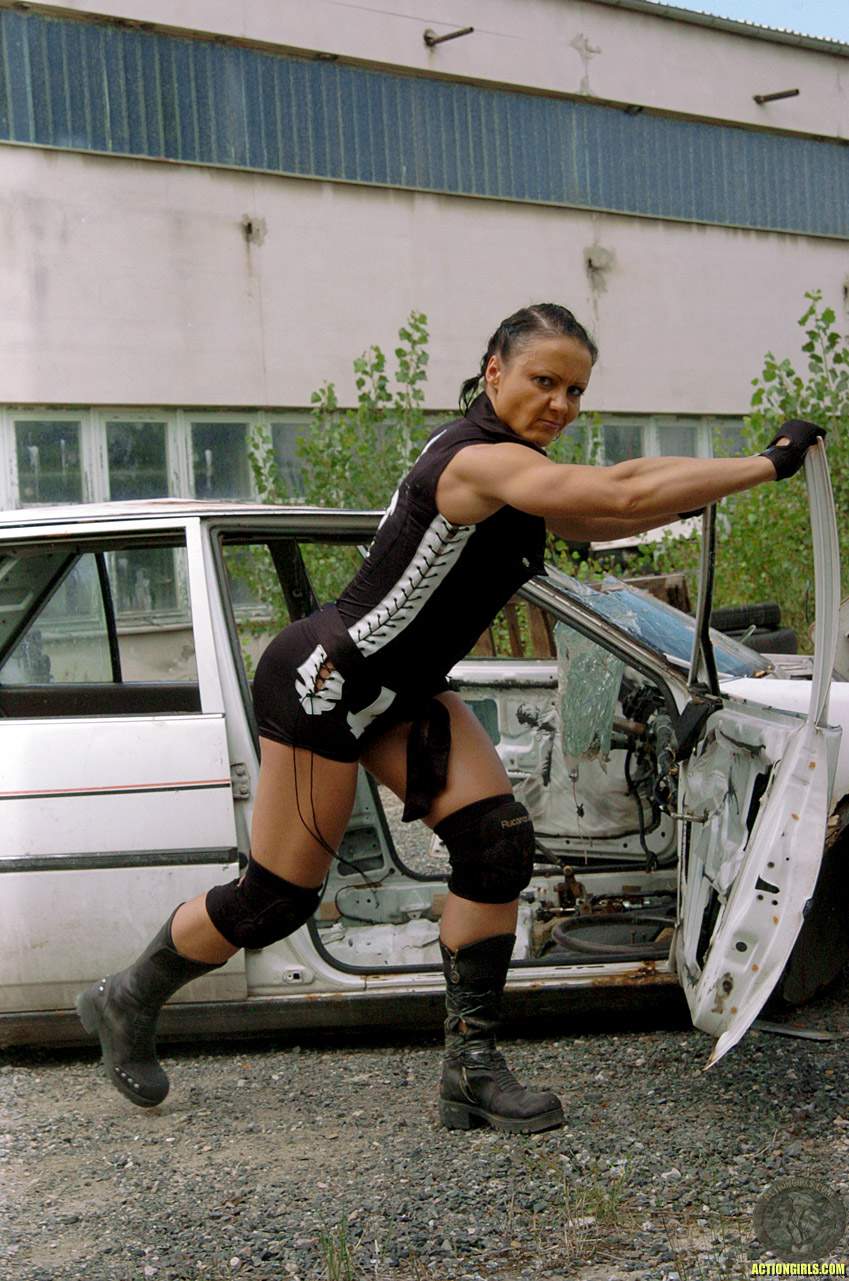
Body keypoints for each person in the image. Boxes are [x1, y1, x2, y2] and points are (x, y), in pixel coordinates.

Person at [76, 303, 824, 1133]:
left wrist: (732, 478)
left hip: (402, 689)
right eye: (543, 380)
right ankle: (126, 996)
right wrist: (765, 463)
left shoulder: (518, 468)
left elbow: (610, 511)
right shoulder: (475, 460)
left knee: (495, 844)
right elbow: (619, 489)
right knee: (275, 899)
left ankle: (471, 1070)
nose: (561, 403)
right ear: (493, 371)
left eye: (575, 390)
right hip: (327, 681)